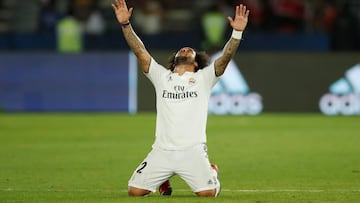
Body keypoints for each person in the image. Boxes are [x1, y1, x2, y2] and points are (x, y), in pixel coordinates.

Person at [112, 0, 249, 197]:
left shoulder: (204, 78)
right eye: (182, 50)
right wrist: (126, 25)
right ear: (175, 58)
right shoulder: (161, 77)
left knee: (208, 194)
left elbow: (225, 57)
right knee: (135, 192)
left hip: (192, 151)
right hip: (162, 150)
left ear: (196, 63)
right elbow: (139, 50)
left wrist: (236, 33)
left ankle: (211, 170)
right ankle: (163, 178)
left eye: (189, 50)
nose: (185, 50)